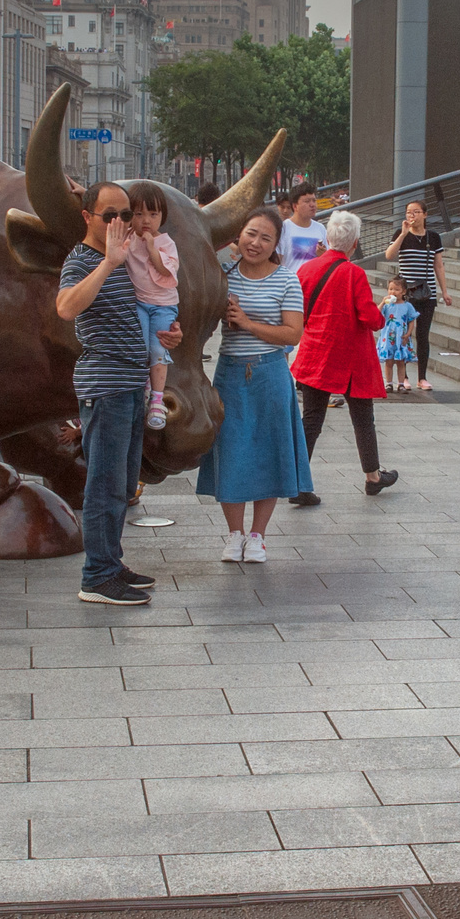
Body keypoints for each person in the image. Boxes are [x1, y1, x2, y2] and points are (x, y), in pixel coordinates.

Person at [56, 181, 181, 606]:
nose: (120, 222)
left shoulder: (127, 259)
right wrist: (108, 264)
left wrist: (170, 335)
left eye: (125, 215)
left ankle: (111, 561)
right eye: (109, 214)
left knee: (124, 483)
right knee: (105, 484)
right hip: (105, 386)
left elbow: (149, 308)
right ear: (87, 217)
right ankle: (97, 576)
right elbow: (67, 307)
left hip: (131, 384)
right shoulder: (84, 260)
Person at [197, 207, 310, 563]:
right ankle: (234, 535)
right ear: (237, 236)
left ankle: (258, 536)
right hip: (230, 374)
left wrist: (247, 323)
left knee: (270, 454)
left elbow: (293, 333)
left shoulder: (287, 280)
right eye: (250, 234)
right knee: (230, 452)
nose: (256, 243)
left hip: (271, 375)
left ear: (276, 243)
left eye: (266, 237)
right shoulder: (224, 275)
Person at [291, 210, 399, 503]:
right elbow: (370, 319)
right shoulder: (354, 274)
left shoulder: (306, 271)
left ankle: (298, 482)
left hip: (316, 353)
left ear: (327, 239)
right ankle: (373, 477)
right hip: (352, 359)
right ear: (354, 244)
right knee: (363, 418)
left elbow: (298, 310)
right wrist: (381, 312)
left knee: (311, 419)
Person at [123, 182, 179, 431]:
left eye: (153, 214)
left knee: (158, 349)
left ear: (161, 217)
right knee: (140, 346)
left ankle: (157, 398)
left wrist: (151, 245)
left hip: (163, 306)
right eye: (138, 214)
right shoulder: (126, 237)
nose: (146, 220)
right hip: (138, 302)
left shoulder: (166, 243)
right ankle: (144, 387)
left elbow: (163, 267)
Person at [383, 199, 451, 391]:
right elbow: (389, 255)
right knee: (402, 334)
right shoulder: (401, 234)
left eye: (416, 212)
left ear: (425, 214)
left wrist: (444, 291)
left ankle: (422, 377)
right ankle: (403, 377)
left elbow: (438, 265)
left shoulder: (433, 237)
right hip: (406, 295)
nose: (411, 216)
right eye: (408, 212)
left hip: (426, 293)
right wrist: (403, 233)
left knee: (423, 335)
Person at [377, 276, 419, 392]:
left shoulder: (407, 306)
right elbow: (377, 312)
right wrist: (382, 302)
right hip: (388, 336)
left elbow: (411, 320)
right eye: (390, 289)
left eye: (396, 289)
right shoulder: (387, 305)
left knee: (401, 362)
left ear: (403, 291)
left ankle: (401, 383)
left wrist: (408, 334)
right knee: (389, 361)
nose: (392, 292)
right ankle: (389, 383)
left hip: (401, 337)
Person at [278, 183, 329, 276]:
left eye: (314, 200)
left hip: (315, 285)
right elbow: (276, 262)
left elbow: (328, 260)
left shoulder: (320, 228)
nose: (312, 205)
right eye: (307, 201)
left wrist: (323, 255)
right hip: (292, 286)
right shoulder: (283, 228)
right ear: (295, 206)